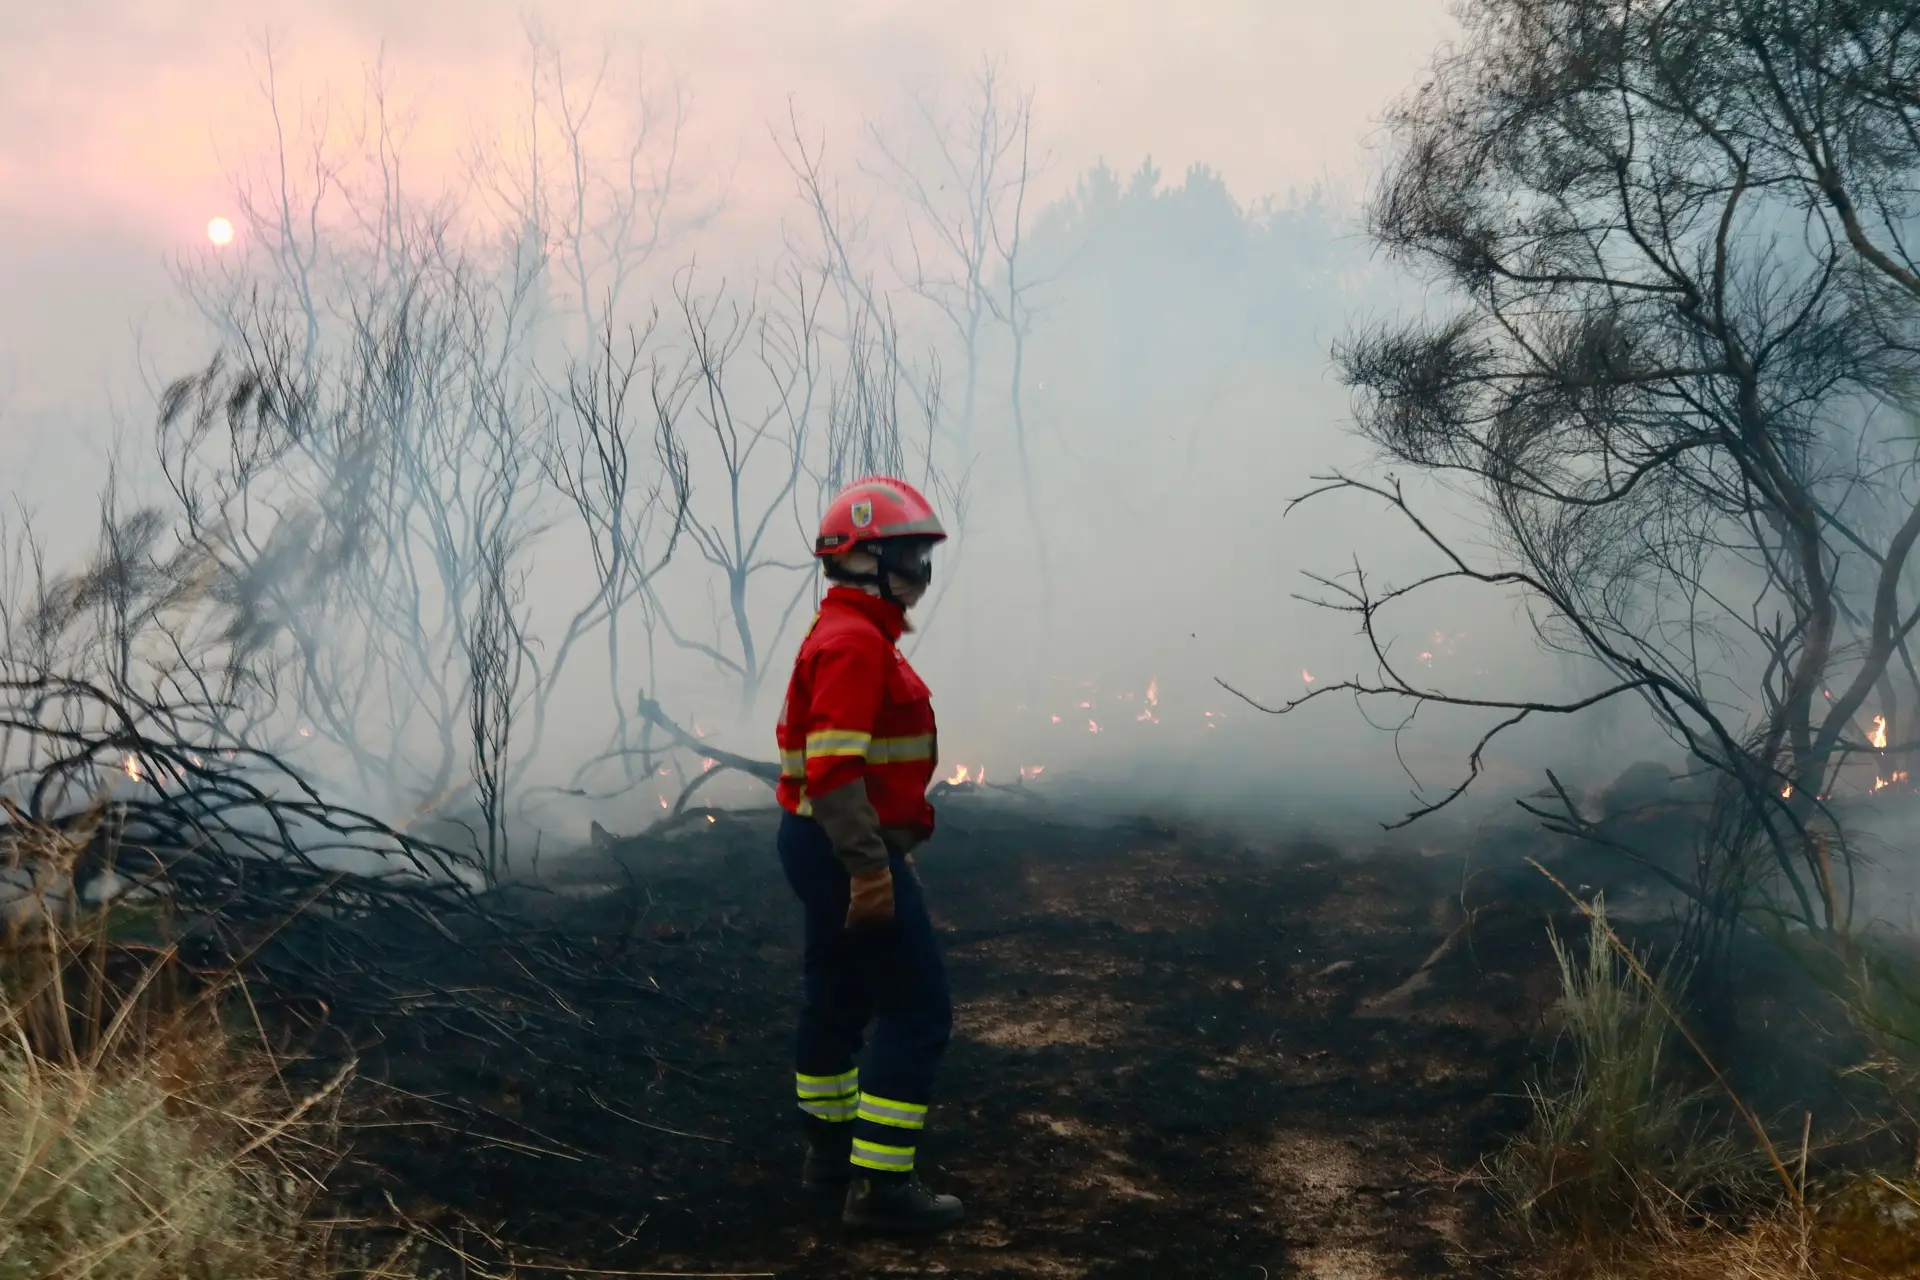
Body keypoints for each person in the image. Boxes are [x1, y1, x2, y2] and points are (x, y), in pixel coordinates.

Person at [773, 475, 965, 1234]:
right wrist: (870, 869)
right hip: (840, 847)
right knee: (917, 1009)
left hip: (822, 843)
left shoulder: (852, 633)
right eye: (910, 554)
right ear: (865, 560)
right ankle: (882, 1188)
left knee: (838, 998)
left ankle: (829, 1158)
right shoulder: (854, 644)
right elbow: (834, 772)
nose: (922, 570)